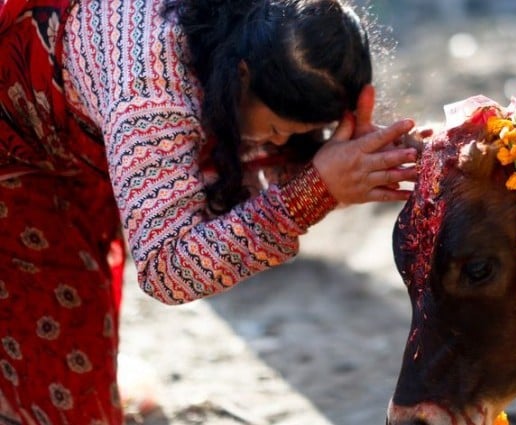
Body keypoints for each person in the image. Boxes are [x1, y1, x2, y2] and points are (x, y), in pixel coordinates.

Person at [0, 0, 420, 422]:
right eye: (277, 130)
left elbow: (244, 165)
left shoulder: (258, 25)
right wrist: (312, 192)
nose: (278, 144)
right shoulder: (151, 97)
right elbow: (167, 266)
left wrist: (356, 160)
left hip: (73, 132)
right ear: (240, 74)